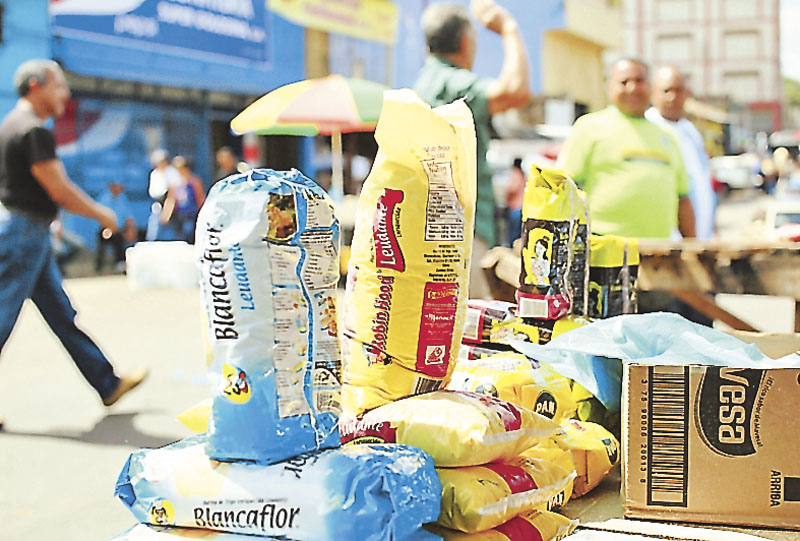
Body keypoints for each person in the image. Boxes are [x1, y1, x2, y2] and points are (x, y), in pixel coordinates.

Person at [0, 59, 147, 428]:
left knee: (62, 315)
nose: (65, 95)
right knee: (1, 318)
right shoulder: (32, 129)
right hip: (25, 234)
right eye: (59, 86)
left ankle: (107, 383)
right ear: (36, 85)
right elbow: (58, 187)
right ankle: (106, 381)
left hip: (29, 231)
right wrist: (103, 214)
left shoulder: (10, 126)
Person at [413, 0, 530, 299]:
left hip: (430, 225)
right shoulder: (453, 84)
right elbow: (516, 90)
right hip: (459, 229)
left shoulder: (423, 83)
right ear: (466, 42)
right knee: (467, 327)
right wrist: (508, 27)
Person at [558, 57, 695, 240]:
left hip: (659, 252)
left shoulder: (667, 135)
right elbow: (562, 188)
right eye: (624, 82)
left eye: (639, 81)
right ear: (609, 87)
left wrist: (693, 247)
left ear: (650, 87)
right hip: (603, 251)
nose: (632, 88)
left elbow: (683, 198)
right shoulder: (588, 127)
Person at [646, 65, 715, 240]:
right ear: (653, 93)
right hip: (668, 242)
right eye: (666, 90)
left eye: (678, 90)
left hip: (700, 237)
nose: (672, 97)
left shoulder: (690, 130)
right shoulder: (648, 127)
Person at [160, 155, 205, 243]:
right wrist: (166, 214)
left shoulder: (195, 181)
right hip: (180, 214)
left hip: (192, 213)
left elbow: (200, 197)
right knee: (181, 236)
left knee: (189, 233)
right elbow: (171, 200)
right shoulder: (176, 183)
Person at [96, 180, 138, 272]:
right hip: (105, 228)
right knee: (111, 237)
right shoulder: (104, 198)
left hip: (118, 230)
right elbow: (100, 216)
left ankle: (120, 264)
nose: (119, 189)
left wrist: (131, 230)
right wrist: (109, 228)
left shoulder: (122, 198)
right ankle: (99, 267)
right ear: (112, 187)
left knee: (120, 237)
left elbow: (129, 218)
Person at [146, 148, 180, 241]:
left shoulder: (171, 172)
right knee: (154, 229)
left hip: (170, 203)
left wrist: (167, 211)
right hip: (156, 203)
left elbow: (172, 194)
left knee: (174, 231)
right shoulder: (155, 173)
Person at [505, 157, 526, 246]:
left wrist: (506, 195)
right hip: (522, 206)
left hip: (514, 208)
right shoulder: (523, 175)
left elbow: (512, 188)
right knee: (519, 232)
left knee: (513, 233)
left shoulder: (515, 173)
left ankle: (512, 249)